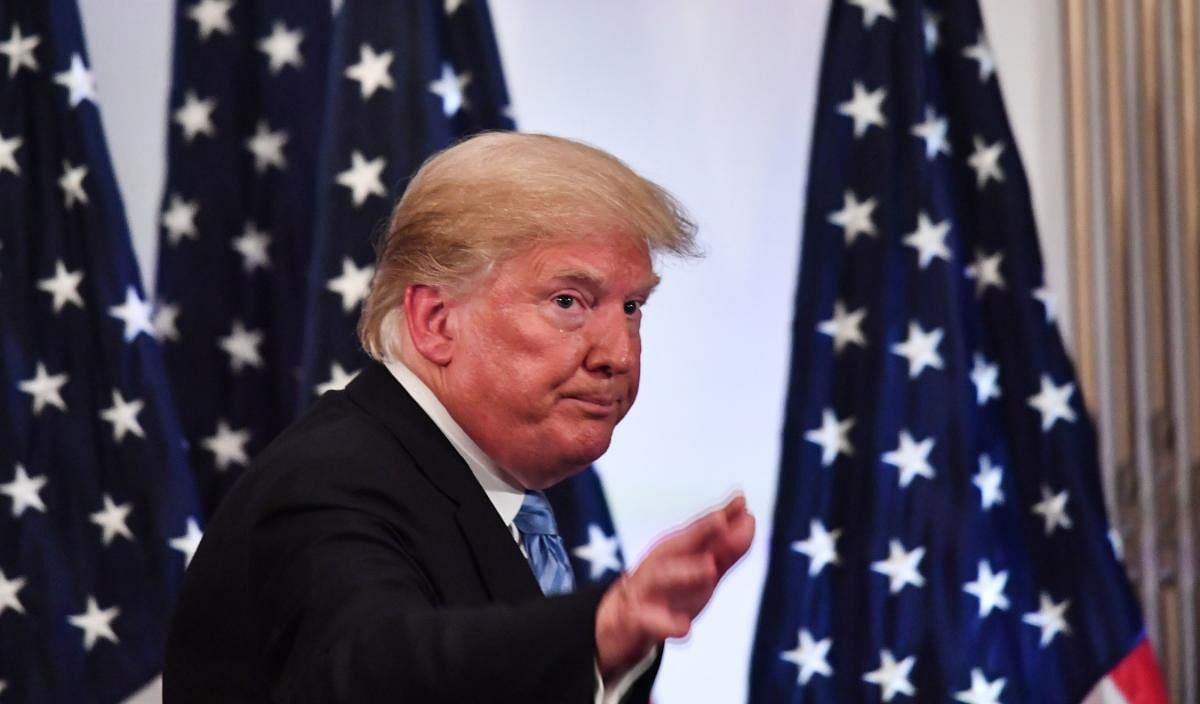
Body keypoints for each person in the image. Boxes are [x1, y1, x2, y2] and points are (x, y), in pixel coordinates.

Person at [163, 132, 755, 703]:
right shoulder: (331, 484)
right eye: (568, 301)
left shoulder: (508, 490)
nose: (618, 355)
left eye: (631, 308)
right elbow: (371, 673)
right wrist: (596, 631)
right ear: (436, 321)